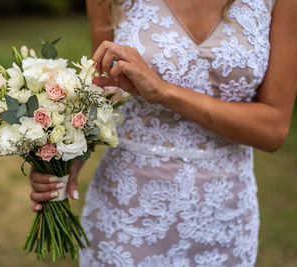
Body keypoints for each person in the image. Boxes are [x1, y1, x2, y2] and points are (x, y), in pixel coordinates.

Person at [29, 0, 297, 265]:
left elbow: (273, 130)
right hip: (126, 215)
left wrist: (164, 91)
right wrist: (67, 152)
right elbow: (102, 90)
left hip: (224, 220)